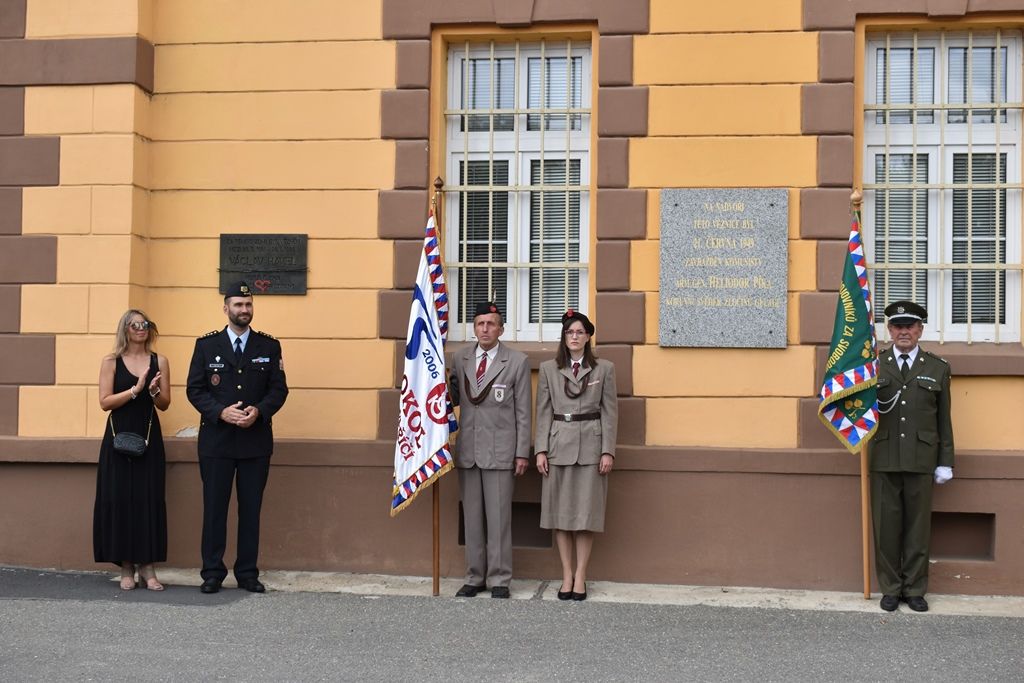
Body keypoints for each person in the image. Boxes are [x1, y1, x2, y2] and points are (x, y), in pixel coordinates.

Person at [186, 281, 288, 594]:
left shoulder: (269, 347)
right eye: (238, 305)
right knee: (214, 509)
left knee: (250, 510)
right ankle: (212, 573)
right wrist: (220, 412)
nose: (244, 310)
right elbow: (195, 389)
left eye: (248, 305)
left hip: (254, 442)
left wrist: (258, 411)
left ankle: (247, 573)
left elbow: (279, 390)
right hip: (216, 442)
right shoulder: (206, 346)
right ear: (226, 308)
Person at [872, 300, 954, 613]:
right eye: (897, 326)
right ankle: (891, 588)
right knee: (886, 528)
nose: (903, 332)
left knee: (918, 529)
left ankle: (916, 589)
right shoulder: (874, 366)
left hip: (922, 458)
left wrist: (945, 459)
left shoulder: (937, 368)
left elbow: (943, 419)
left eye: (910, 326)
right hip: (884, 455)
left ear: (920, 329)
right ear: (889, 330)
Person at [534, 310, 617, 602]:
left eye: (580, 332)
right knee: (561, 515)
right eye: (570, 332)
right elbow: (543, 411)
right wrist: (540, 449)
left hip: (592, 450)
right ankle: (566, 574)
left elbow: (609, 413)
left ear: (588, 336)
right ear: (564, 337)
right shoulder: (548, 369)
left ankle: (581, 575)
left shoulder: (604, 368)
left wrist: (608, 450)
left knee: (585, 516)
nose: (575, 337)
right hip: (559, 447)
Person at [450, 302, 531, 598]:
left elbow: (523, 412)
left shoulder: (517, 361)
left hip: (500, 452)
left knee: (498, 519)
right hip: (469, 451)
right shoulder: (461, 358)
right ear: (474, 327)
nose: (485, 329)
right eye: (480, 323)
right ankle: (474, 575)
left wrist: (522, 453)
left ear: (501, 328)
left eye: (491, 324)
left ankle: (499, 579)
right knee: (471, 518)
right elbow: (452, 397)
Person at [93, 309, 171, 591]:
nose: (141, 328)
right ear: (125, 329)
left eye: (145, 324)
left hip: (148, 436)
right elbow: (105, 402)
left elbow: (164, 404)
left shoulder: (158, 360)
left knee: (148, 499)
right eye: (134, 324)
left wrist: (151, 391)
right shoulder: (111, 361)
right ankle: (126, 566)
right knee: (121, 500)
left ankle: (148, 567)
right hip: (118, 438)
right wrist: (135, 390)